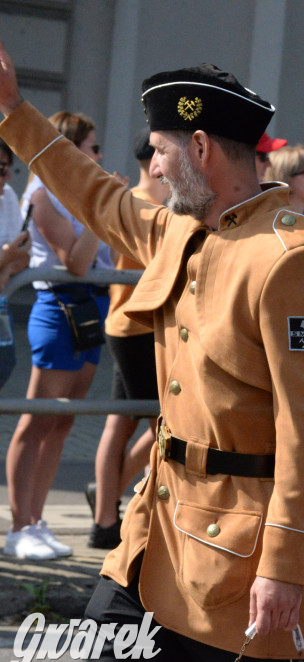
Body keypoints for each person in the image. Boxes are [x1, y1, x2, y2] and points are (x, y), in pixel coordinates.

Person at [0, 49, 304, 662]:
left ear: (202, 148)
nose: (152, 167)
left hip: (240, 568)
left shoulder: (289, 259)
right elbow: (95, 195)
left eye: (160, 151)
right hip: (151, 544)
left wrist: (285, 566)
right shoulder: (181, 231)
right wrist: (12, 111)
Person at [3, 110, 113, 561]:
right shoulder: (42, 191)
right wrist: (103, 213)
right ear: (68, 147)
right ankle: (18, 524)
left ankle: (39, 518)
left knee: (64, 421)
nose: (99, 156)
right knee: (38, 418)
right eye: (92, 147)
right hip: (58, 307)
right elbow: (76, 260)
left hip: (93, 308)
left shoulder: (83, 193)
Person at [87, 129, 169, 550]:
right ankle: (106, 504)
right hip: (135, 325)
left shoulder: (141, 202)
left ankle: (105, 507)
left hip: (131, 323)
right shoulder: (146, 205)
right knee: (163, 423)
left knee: (123, 423)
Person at [0, 139, 31, 389]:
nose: (8, 175)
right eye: (1, 168)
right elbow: (13, 253)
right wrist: (7, 257)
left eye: (8, 167)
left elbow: (24, 256)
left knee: (5, 365)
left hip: (2, 305)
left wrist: (6, 266)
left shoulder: (7, 196)